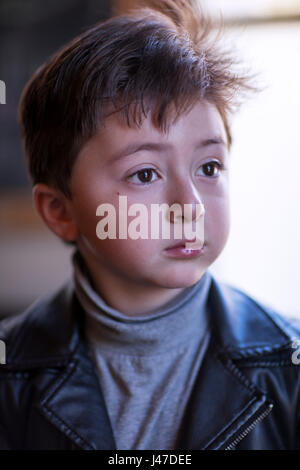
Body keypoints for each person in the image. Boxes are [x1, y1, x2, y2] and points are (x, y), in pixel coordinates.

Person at [0, 0, 299, 450]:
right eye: (145, 174)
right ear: (60, 211)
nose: (191, 205)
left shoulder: (289, 369)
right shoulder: (10, 379)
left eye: (210, 167)